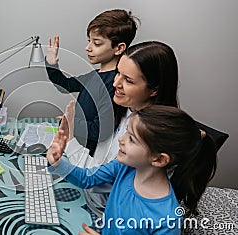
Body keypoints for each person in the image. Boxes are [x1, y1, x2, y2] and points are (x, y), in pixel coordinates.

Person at [47, 105, 218, 234]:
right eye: (126, 132)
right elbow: (87, 178)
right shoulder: (125, 167)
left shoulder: (167, 219)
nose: (121, 140)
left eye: (132, 139)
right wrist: (57, 162)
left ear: (159, 159)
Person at [61, 41, 180, 217]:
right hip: (90, 193)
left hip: (104, 213)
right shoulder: (125, 109)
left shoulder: (148, 137)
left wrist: (70, 137)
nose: (116, 83)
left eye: (128, 80)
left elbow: (95, 179)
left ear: (154, 90)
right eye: (118, 73)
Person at [46, 9, 139, 156]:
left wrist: (71, 123)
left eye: (96, 43)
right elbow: (65, 85)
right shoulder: (95, 75)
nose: (88, 48)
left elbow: (100, 131)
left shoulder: (115, 85)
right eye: (89, 41)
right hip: (73, 145)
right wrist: (51, 64)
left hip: (86, 156)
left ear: (119, 48)